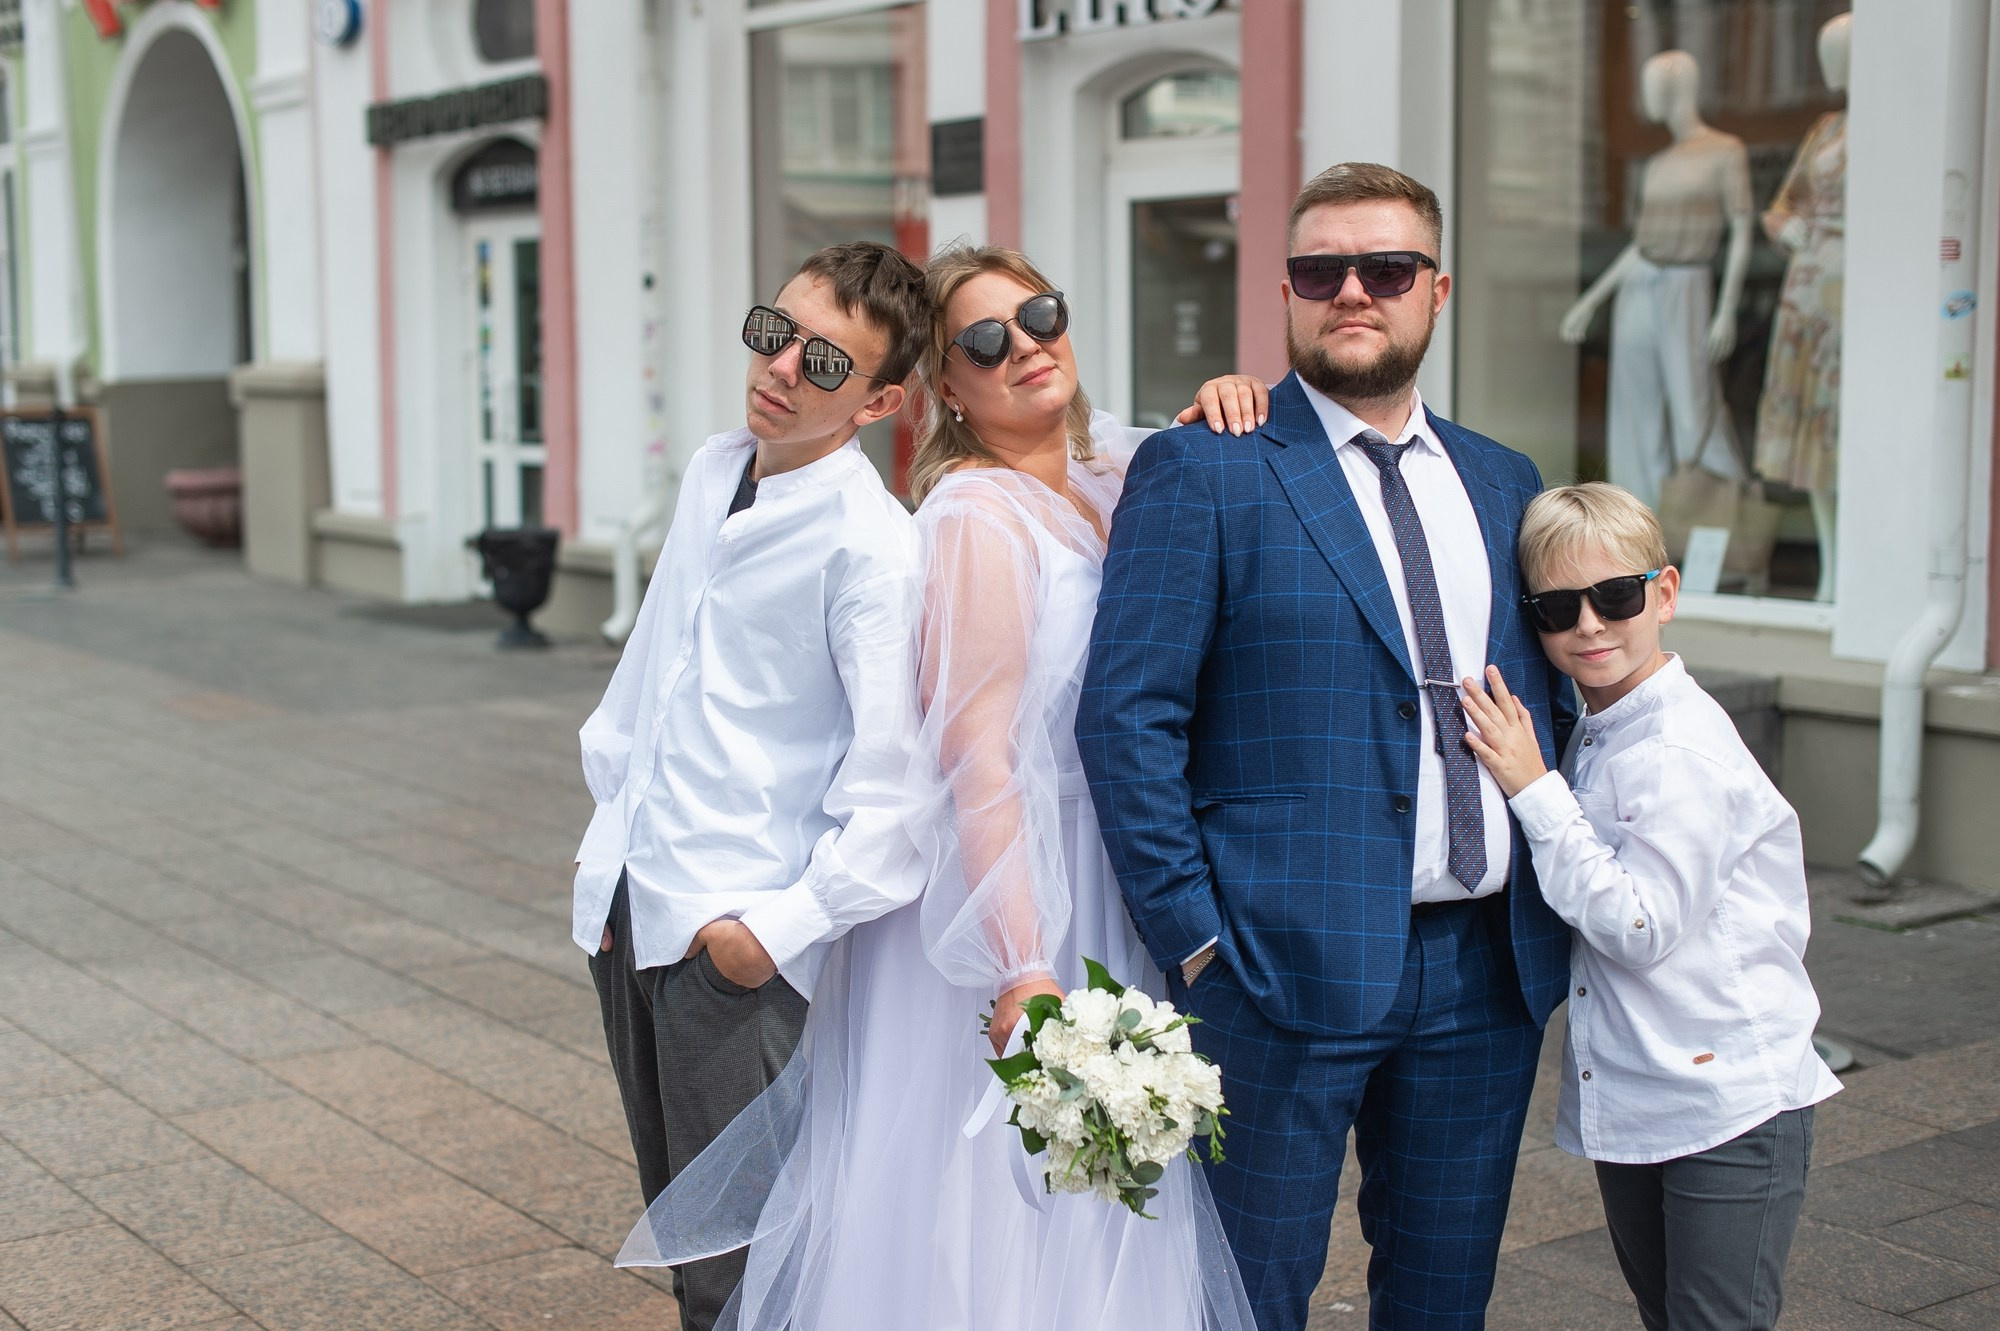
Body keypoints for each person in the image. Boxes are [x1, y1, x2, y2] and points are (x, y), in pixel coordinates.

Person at [617, 243, 1267, 1330]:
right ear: (946, 391)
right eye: (984, 342)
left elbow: (1206, 465)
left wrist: (1236, 395)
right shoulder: (971, 516)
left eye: (1039, 316)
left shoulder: (1113, 467)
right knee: (989, 1212)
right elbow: (976, 756)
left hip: (1113, 867)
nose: (1025, 346)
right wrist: (1021, 962)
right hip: (1008, 885)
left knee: (1097, 1202)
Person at [1077, 161, 1575, 1331]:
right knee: (1243, 1302)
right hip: (1272, 966)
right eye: (1319, 270)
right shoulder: (1204, 464)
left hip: (1483, 971)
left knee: (1444, 1299)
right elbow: (1126, 713)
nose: (1351, 290)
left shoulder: (1504, 480)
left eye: (1386, 268)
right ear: (1286, 292)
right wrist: (1196, 939)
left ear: (1435, 291)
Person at [572, 241, 932, 1331]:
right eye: (777, 333)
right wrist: (605, 847)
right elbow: (651, 670)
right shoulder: (713, 468)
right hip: (632, 901)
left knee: (748, 1272)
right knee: (687, 1245)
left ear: (877, 402)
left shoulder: (871, 548)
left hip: (732, 946)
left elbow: (897, 796)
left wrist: (762, 937)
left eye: (823, 363)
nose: (780, 369)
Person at [1459, 482, 1841, 1331]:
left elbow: (1640, 926)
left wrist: (1533, 789)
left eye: (1615, 596)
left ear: (1663, 594)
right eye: (1558, 607)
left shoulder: (1679, 747)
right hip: (1650, 1091)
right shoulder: (1601, 726)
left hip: (1727, 1100)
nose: (1590, 624)